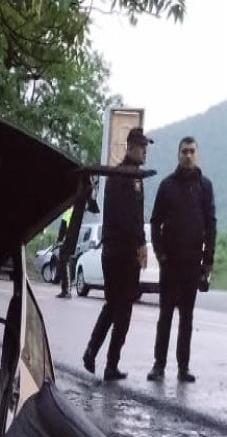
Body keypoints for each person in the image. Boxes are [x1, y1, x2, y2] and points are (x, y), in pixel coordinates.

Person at [82, 127, 152, 381]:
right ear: (131, 147)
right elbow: (132, 218)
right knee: (123, 310)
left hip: (111, 250)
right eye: (142, 146)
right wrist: (141, 245)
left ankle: (92, 351)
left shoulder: (115, 175)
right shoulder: (130, 177)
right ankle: (110, 364)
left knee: (113, 306)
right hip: (123, 252)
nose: (146, 151)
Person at [147, 136, 217, 383]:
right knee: (165, 315)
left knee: (186, 318)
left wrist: (208, 260)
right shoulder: (167, 185)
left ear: (197, 154)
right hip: (170, 263)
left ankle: (183, 367)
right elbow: (155, 222)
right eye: (184, 151)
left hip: (193, 264)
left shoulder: (205, 186)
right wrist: (160, 254)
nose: (188, 155)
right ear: (178, 154)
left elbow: (211, 224)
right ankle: (158, 365)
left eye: (192, 151)